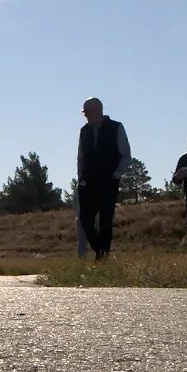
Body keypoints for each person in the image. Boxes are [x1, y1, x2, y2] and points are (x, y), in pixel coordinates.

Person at [76, 97, 131, 260]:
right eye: (84, 113)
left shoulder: (116, 127)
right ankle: (100, 249)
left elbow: (126, 155)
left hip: (108, 182)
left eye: (87, 113)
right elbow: (80, 157)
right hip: (88, 183)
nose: (85, 116)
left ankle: (103, 256)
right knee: (85, 220)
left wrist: (116, 174)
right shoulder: (84, 131)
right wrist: (80, 178)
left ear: (97, 110)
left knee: (106, 221)